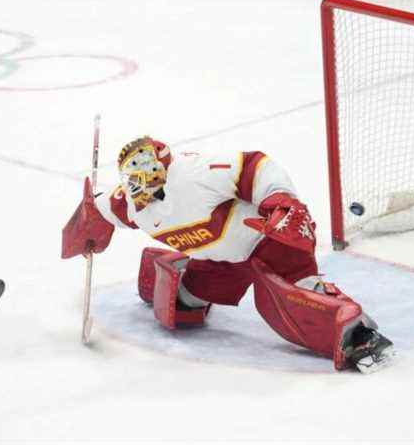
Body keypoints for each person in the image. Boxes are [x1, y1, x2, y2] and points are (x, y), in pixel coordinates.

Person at [62, 136, 394, 373]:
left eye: (143, 171)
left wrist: (280, 203)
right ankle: (169, 271)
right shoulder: (132, 203)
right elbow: (99, 208)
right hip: (220, 259)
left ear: (160, 165)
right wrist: (85, 226)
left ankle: (358, 334)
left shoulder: (196, 173)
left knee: (291, 302)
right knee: (181, 304)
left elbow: (256, 166)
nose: (137, 184)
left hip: (271, 241)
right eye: (130, 176)